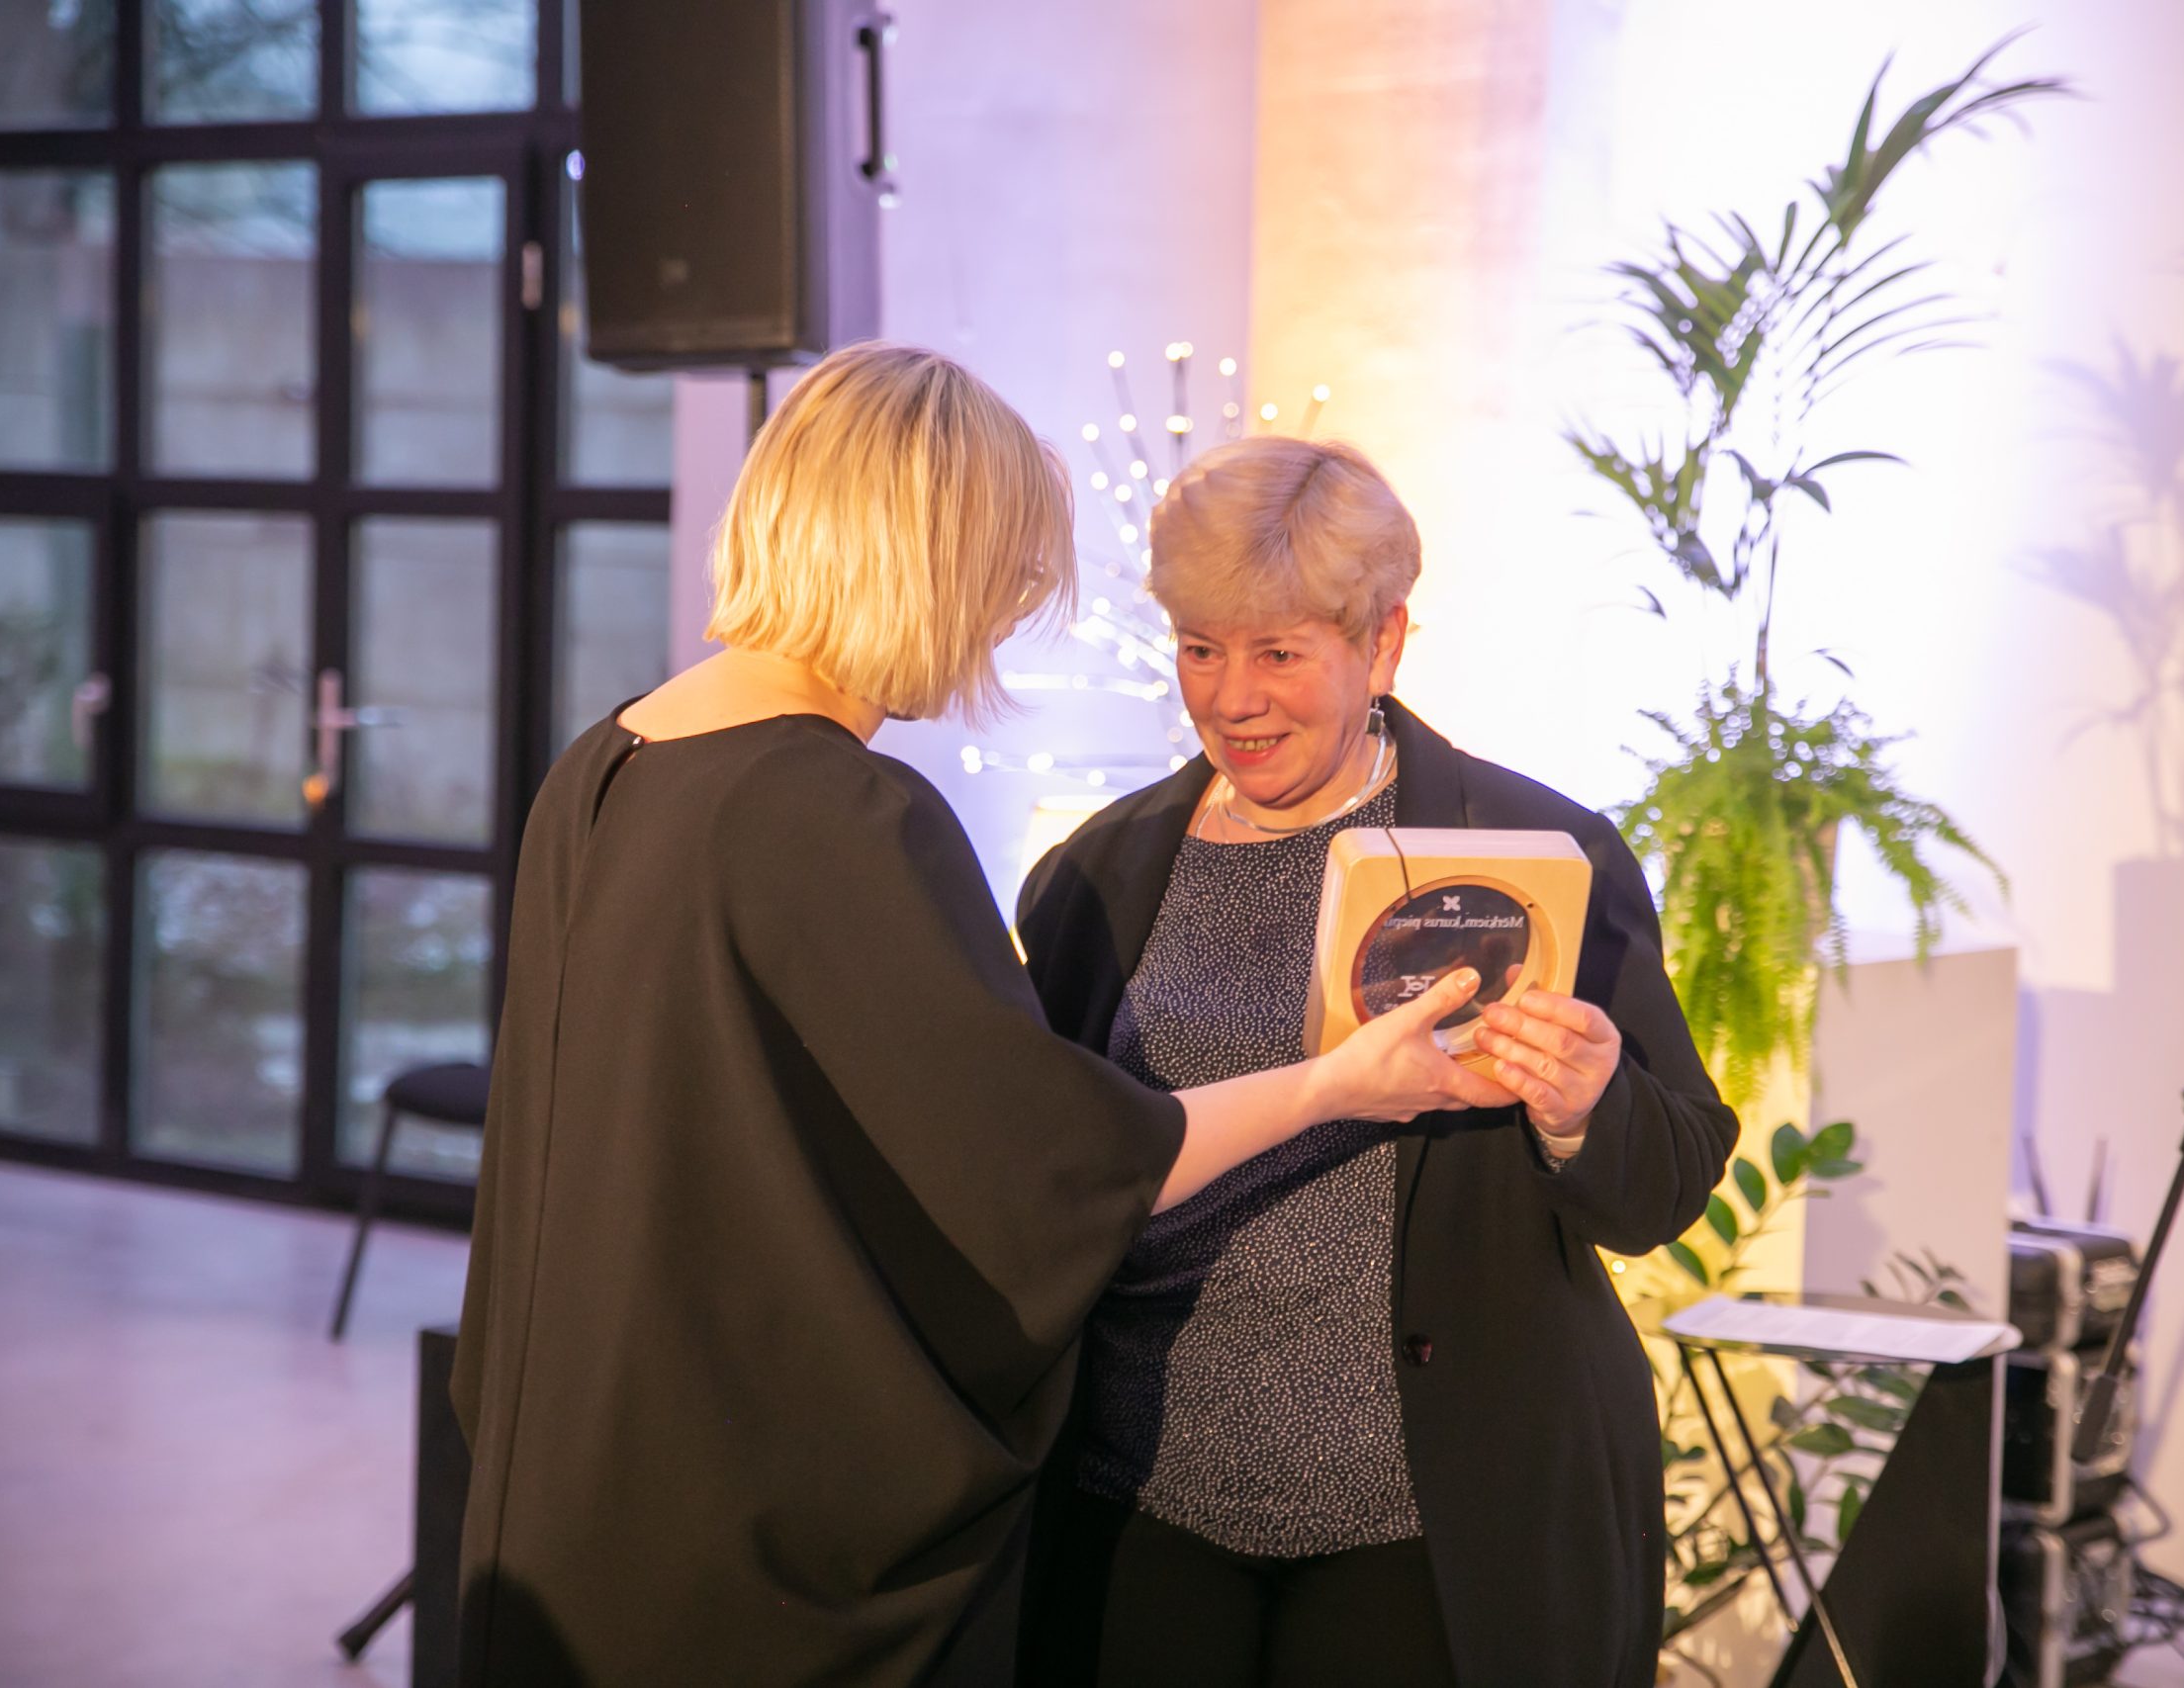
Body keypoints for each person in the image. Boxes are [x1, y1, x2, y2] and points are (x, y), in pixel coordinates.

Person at [448, 346, 1513, 1687]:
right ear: (929, 559)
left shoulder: (607, 762)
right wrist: (1333, 1083)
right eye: (1006, 575)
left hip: (566, 1475)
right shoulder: (836, 814)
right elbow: (1051, 1173)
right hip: (729, 1527)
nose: (1006, 619)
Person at [1015, 436, 1743, 1688]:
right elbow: (1050, 1176)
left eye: (1278, 653)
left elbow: (1666, 1180)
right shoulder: (1095, 876)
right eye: (1200, 649)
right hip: (1143, 1503)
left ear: (1384, 642)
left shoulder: (1539, 850)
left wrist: (1584, 1108)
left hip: (1434, 1525)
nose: (1231, 698)